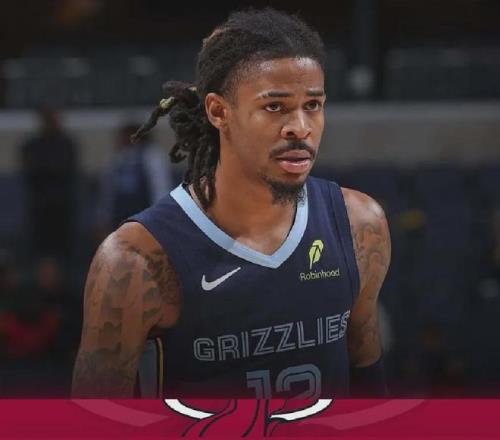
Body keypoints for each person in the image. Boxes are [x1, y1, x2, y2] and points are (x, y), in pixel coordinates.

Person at [72, 7, 391, 398]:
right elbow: (94, 420)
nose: (300, 127)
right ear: (219, 112)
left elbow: (369, 385)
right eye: (275, 107)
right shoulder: (135, 259)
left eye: (313, 105)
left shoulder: (360, 224)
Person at [94, 121, 173, 239]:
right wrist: (103, 219)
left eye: (125, 136)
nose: (121, 140)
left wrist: (160, 219)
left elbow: (160, 188)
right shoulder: (115, 160)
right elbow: (108, 194)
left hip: (144, 218)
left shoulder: (151, 156)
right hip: (119, 219)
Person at [20, 107, 78, 260]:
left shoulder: (67, 144)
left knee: (63, 252)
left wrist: (46, 169)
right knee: (39, 250)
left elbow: (66, 170)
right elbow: (30, 170)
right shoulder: (32, 144)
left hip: (63, 207)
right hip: (39, 206)